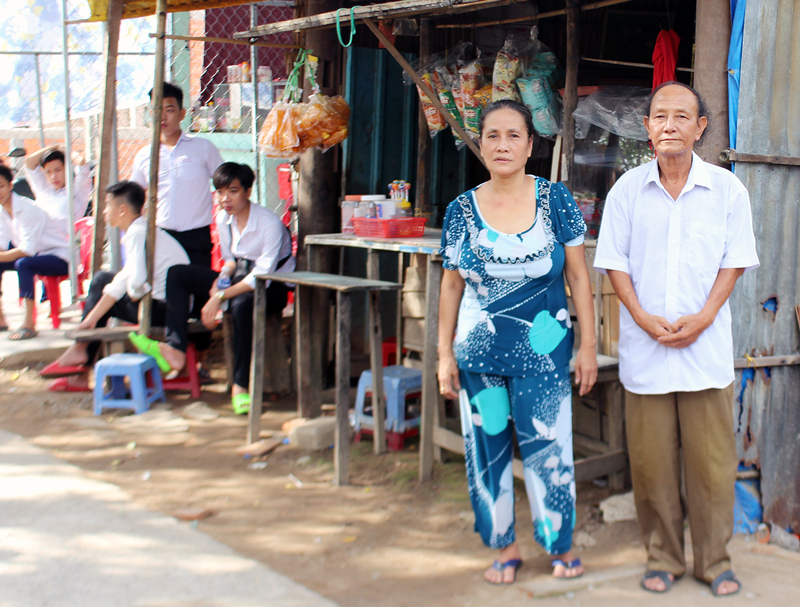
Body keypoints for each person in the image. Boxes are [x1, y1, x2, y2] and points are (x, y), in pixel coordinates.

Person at [594, 82, 759, 597]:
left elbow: (735, 261)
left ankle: (715, 561)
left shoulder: (727, 190)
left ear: (700, 127)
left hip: (704, 351)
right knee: (651, 464)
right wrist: (640, 316)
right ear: (647, 128)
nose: (670, 125)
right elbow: (614, 263)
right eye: (660, 116)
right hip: (646, 350)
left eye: (681, 116)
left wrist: (706, 316)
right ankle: (662, 556)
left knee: (711, 465)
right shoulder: (626, 190)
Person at [437, 100, 598, 585]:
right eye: (492, 136)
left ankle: (559, 544)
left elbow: (577, 276)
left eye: (513, 135)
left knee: (549, 447)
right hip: (479, 355)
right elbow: (450, 285)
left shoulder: (555, 200)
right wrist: (444, 354)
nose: (502, 144)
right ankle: (503, 546)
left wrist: (588, 344)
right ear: (480, 143)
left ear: (531, 145)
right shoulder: (460, 210)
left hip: (546, 353)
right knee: (485, 450)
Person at [129, 162, 294, 414]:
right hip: (240, 277)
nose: (225, 198)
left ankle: (240, 386)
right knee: (178, 274)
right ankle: (175, 348)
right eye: (220, 192)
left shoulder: (269, 224)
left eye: (233, 191)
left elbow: (261, 275)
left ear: (248, 192)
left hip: (272, 286)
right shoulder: (223, 218)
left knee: (240, 306)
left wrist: (218, 296)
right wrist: (222, 279)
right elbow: (230, 260)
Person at [40, 181, 189, 391]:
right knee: (104, 281)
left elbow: (136, 283)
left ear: (122, 209)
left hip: (167, 311)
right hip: (166, 306)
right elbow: (122, 279)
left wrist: (134, 292)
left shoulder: (138, 232)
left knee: (102, 280)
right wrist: (91, 319)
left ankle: (81, 357)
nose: (103, 210)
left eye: (107, 204)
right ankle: (81, 349)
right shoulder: (141, 228)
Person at [130, 81, 224, 267]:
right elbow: (134, 198)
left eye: (170, 110)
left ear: (182, 113)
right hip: (161, 237)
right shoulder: (144, 155)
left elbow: (225, 184)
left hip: (197, 237)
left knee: (199, 292)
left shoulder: (203, 149)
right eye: (157, 110)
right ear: (150, 114)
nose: (163, 117)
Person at [0, 164, 71, 340]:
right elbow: (2, 243)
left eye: (0, 186)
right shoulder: (2, 211)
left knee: (24, 263)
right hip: (38, 256)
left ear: (10, 185)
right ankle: (0, 318)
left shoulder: (27, 208)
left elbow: (27, 250)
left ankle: (29, 324)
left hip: (59, 257)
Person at [24, 145, 93, 222]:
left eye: (58, 170)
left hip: (66, 233)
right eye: (48, 172)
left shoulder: (77, 191)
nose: (53, 176)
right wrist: (55, 147)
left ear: (67, 169)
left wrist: (66, 150)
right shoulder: (44, 190)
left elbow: (81, 162)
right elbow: (29, 162)